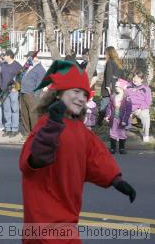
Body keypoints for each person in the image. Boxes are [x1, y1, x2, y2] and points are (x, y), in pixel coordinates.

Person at [20, 60, 136, 244]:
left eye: (84, 93)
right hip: (42, 216)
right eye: (75, 91)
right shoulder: (46, 124)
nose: (81, 97)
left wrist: (117, 180)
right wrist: (52, 128)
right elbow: (33, 160)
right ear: (58, 94)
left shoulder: (81, 131)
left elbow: (97, 158)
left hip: (68, 214)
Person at [19, 51, 46, 136]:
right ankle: (27, 133)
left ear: (33, 58)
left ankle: (35, 134)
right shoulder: (28, 67)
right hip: (23, 92)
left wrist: (35, 95)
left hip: (31, 95)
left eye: (28, 57)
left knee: (33, 115)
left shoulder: (40, 69)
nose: (27, 59)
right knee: (24, 114)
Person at [105, 79, 132, 154]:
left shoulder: (127, 98)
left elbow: (128, 111)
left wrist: (124, 120)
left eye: (118, 86)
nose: (116, 87)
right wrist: (108, 115)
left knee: (121, 133)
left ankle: (122, 148)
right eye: (116, 86)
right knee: (112, 132)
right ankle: (113, 148)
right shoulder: (113, 96)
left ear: (122, 88)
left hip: (122, 119)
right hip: (114, 118)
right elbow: (109, 107)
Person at [0, 50, 22, 137]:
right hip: (4, 91)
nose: (3, 57)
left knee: (15, 110)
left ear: (9, 56)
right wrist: (1, 87)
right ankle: (8, 128)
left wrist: (16, 88)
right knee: (6, 110)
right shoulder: (3, 65)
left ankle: (15, 129)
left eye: (4, 55)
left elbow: (21, 78)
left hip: (13, 91)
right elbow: (1, 77)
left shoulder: (17, 66)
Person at [98, 46, 123, 125]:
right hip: (117, 87)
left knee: (104, 105)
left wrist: (108, 87)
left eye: (105, 53)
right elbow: (122, 76)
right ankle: (113, 121)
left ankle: (99, 122)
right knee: (115, 106)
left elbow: (108, 75)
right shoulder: (119, 62)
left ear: (108, 53)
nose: (105, 55)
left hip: (109, 88)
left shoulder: (110, 62)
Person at [127, 71, 152, 143]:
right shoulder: (128, 86)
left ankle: (146, 134)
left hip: (141, 108)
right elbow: (123, 96)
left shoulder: (146, 89)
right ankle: (118, 134)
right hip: (129, 107)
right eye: (134, 77)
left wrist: (140, 109)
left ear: (142, 79)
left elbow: (148, 101)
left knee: (146, 116)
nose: (135, 79)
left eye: (138, 78)